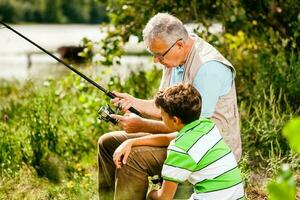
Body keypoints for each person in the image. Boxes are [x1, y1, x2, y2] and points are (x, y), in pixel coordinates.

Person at [98, 13, 242, 200]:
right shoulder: (173, 58)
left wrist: (142, 126)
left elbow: (193, 130)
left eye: (159, 55)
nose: (155, 61)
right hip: (182, 136)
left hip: (206, 149)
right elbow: (165, 108)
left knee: (132, 157)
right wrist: (134, 102)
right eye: (153, 55)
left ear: (180, 44)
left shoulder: (208, 68)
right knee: (107, 143)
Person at [113, 83, 245, 200]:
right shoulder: (206, 126)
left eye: (162, 115)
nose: (161, 117)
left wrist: (152, 194)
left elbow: (164, 197)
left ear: (175, 120)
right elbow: (171, 137)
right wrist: (131, 142)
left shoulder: (179, 150)